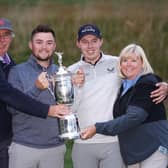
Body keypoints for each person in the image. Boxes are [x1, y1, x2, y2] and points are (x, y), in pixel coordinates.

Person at [68, 24, 168, 168]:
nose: (90, 46)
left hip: (114, 141)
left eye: (94, 41)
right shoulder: (70, 71)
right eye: (84, 41)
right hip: (84, 141)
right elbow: (69, 109)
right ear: (78, 43)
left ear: (101, 41)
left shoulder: (117, 63)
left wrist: (165, 86)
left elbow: (145, 78)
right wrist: (75, 87)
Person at [7, 24, 84, 168]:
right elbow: (12, 108)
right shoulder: (17, 72)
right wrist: (36, 88)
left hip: (54, 149)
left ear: (54, 46)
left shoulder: (62, 72)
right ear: (31, 45)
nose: (44, 47)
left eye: (49, 43)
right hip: (24, 148)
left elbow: (69, 106)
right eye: (39, 42)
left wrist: (77, 86)